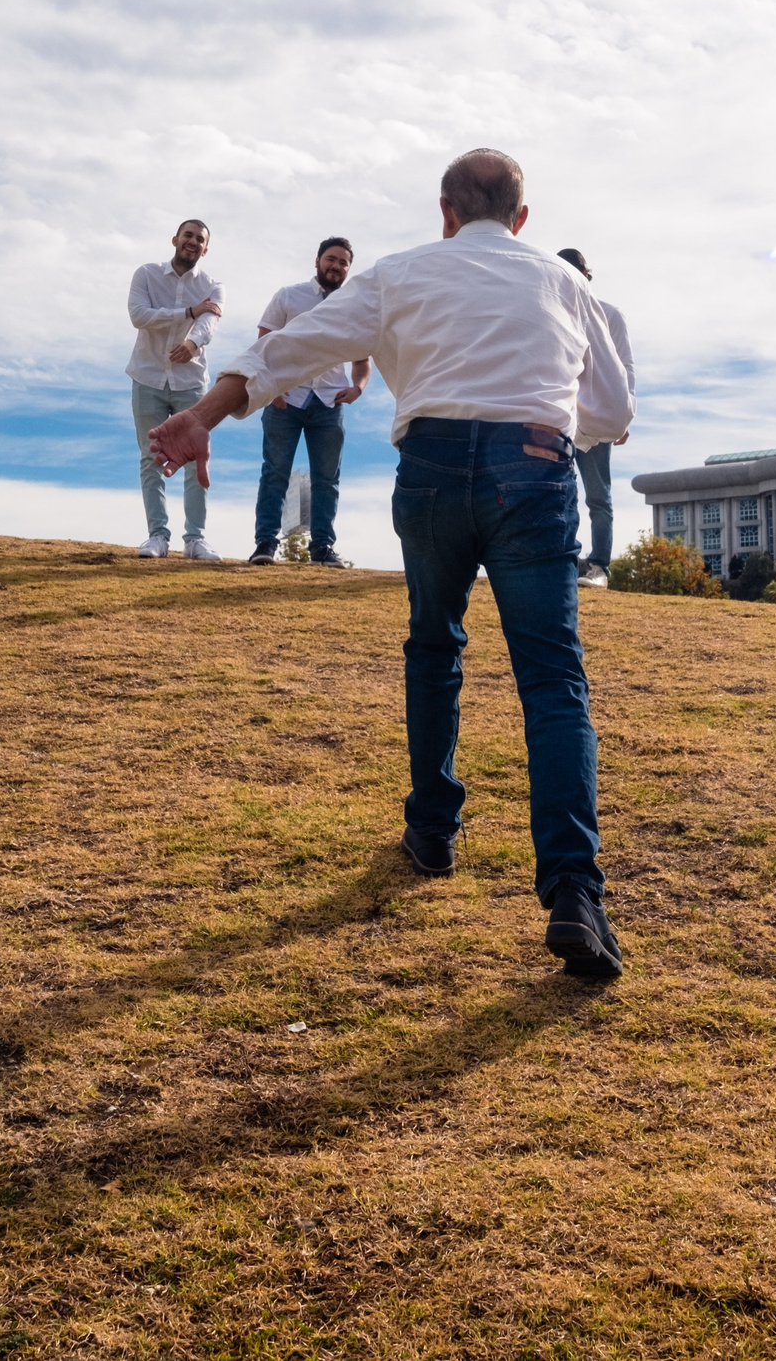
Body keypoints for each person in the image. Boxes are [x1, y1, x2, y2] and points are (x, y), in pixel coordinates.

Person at [147, 150, 636, 978]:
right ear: (522, 218)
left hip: (434, 467)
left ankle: (433, 831)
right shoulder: (567, 284)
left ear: (444, 210)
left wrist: (202, 414)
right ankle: (574, 891)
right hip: (534, 465)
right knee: (553, 683)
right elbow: (615, 412)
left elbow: (286, 352)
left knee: (435, 647)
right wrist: (552, 429)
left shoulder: (400, 272)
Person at [249, 237, 371, 568]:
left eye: (344, 262)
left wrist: (357, 388)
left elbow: (363, 361)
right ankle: (265, 544)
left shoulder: (354, 308)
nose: (336, 266)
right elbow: (263, 347)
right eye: (331, 259)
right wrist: (271, 388)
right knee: (275, 472)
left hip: (329, 403)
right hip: (285, 399)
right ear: (317, 261)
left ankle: (322, 549)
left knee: (327, 478)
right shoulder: (289, 297)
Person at [125, 218, 224, 560]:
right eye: (188, 235)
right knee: (152, 456)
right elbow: (139, 315)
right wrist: (187, 312)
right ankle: (157, 537)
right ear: (175, 239)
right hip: (148, 378)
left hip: (191, 383)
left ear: (205, 248)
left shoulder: (213, 285)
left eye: (200, 239)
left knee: (197, 457)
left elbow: (209, 321)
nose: (193, 242)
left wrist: (194, 343)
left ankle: (195, 539)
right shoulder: (147, 275)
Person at [556, 248, 632, 582]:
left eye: (580, 275)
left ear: (588, 277)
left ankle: (600, 565)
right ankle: (563, 559)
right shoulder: (550, 313)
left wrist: (625, 414)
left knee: (598, 496)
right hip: (557, 416)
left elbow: (625, 365)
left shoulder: (610, 315)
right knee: (557, 490)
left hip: (596, 417)